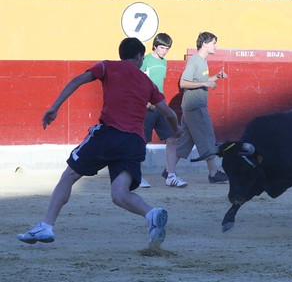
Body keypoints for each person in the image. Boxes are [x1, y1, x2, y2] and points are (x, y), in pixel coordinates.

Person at [17, 37, 181, 247]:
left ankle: (46, 225)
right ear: (139, 56)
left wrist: (55, 107)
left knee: (69, 175)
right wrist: (176, 130)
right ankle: (151, 213)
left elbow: (77, 80)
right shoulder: (148, 83)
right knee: (120, 193)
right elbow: (168, 113)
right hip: (134, 141)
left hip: (109, 134)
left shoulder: (108, 66)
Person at [174, 31, 228, 184]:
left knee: (186, 141)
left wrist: (216, 77)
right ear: (204, 43)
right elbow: (183, 83)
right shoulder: (195, 61)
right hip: (195, 106)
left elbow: (201, 80)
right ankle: (213, 173)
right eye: (213, 43)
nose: (215, 46)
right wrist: (205, 83)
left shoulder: (201, 61)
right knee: (207, 136)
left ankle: (169, 170)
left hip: (191, 106)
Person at [140, 33, 187, 188]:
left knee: (171, 138)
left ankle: (171, 175)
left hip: (160, 104)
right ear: (154, 46)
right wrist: (145, 101)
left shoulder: (164, 62)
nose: (164, 51)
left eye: (167, 48)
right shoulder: (145, 60)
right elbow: (137, 81)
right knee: (141, 141)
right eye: (162, 47)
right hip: (147, 107)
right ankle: (136, 176)